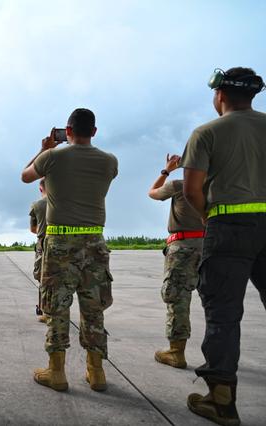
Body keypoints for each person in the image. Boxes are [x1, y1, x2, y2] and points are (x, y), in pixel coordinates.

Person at [181, 67, 266, 426]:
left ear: (220, 95)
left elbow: (191, 190)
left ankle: (221, 401)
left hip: (228, 226)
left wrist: (207, 217)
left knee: (224, 315)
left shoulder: (206, 133)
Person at [21, 108, 117, 392]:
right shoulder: (110, 161)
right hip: (95, 242)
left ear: (68, 130)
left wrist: (43, 150)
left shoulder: (52, 157)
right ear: (94, 131)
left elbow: (25, 177)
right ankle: (96, 372)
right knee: (94, 309)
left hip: (60, 242)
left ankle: (57, 372)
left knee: (57, 308)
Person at [148, 154, 204, 368]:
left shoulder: (179, 185)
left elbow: (152, 193)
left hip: (183, 248)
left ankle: (176, 352)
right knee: (215, 301)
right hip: (209, 246)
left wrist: (166, 170)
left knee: (178, 298)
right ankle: (218, 353)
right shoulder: (215, 187)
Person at [29, 179, 48, 322]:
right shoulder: (63, 203)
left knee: (43, 279)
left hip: (43, 246)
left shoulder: (37, 205)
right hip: (64, 244)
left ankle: (44, 310)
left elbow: (33, 229)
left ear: (40, 189)